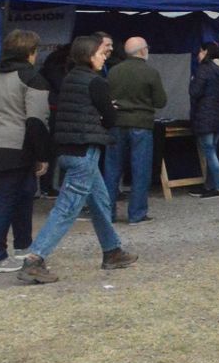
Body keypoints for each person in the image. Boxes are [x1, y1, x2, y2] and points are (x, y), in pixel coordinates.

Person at [18, 36, 138, 284]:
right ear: (88, 55)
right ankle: (34, 259)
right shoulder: (96, 82)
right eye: (100, 52)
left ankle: (112, 251)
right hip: (85, 151)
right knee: (67, 208)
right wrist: (110, 111)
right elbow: (110, 120)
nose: (104, 56)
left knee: (100, 201)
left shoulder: (70, 78)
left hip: (67, 149)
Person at [0, 30, 51, 274]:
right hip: (19, 144)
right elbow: (37, 121)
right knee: (6, 197)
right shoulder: (32, 78)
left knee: (23, 193)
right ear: (30, 52)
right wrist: (43, 155)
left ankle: (23, 247)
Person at [103, 37, 167, 224]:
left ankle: (108, 214)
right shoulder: (150, 73)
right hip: (141, 124)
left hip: (116, 123)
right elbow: (160, 101)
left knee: (112, 169)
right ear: (142, 51)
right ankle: (136, 214)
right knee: (140, 170)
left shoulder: (113, 71)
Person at [189, 42, 219, 198]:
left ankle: (218, 187)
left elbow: (194, 92)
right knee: (213, 149)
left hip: (205, 115)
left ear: (206, 52)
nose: (198, 55)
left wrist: (193, 79)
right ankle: (210, 185)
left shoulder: (204, 69)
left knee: (209, 150)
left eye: (200, 52)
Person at [35, 43, 70, 196]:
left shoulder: (49, 68)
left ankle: (45, 185)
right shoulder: (55, 70)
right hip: (52, 111)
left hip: (50, 110)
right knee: (50, 151)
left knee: (49, 150)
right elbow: (63, 87)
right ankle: (46, 185)